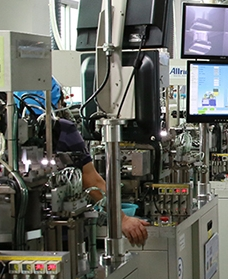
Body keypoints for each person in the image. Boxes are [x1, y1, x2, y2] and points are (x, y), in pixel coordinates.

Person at [32, 79, 149, 246]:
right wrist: (122, 219)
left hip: (14, 239)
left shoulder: (3, 133)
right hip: (64, 235)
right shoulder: (62, 129)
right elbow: (91, 181)